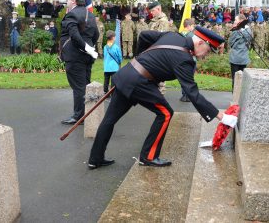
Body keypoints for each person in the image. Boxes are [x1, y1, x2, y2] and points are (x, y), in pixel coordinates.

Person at [87, 26, 238, 169]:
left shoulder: (173, 35)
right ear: (199, 42)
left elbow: (144, 35)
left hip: (127, 74)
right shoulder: (184, 59)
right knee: (165, 113)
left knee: (109, 120)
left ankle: (95, 159)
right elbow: (192, 93)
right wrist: (221, 116)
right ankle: (149, 157)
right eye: (208, 50)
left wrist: (140, 58)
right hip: (139, 82)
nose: (207, 55)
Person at [60, 0, 99, 125]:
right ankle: (86, 113)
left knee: (78, 87)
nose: (67, 1)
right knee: (85, 85)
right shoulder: (91, 15)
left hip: (75, 56)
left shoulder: (72, 15)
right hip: (87, 56)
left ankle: (79, 116)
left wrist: (86, 47)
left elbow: (74, 36)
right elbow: (96, 35)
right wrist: (89, 48)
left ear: (74, 0)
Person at [228, 14, 252, 90]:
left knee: (235, 80)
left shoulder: (236, 30)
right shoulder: (249, 30)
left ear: (241, 21)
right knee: (241, 79)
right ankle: (240, 98)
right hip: (244, 58)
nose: (234, 21)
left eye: (236, 20)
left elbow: (230, 42)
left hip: (235, 58)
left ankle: (235, 99)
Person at [179, 18, 195, 102]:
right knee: (190, 78)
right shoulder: (192, 35)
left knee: (183, 77)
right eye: (193, 26)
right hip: (191, 59)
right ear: (188, 26)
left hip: (181, 59)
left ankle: (183, 95)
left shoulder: (179, 34)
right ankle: (188, 95)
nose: (193, 27)